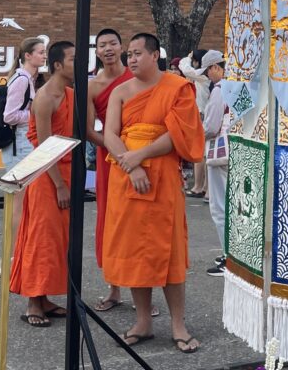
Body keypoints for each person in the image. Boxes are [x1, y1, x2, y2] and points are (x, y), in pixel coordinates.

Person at [103, 33, 205, 353]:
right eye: (128, 55)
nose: (130, 59)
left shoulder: (177, 87)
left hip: (162, 179)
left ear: (154, 55)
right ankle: (143, 321)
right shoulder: (120, 92)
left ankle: (178, 325)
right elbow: (110, 133)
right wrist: (130, 166)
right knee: (135, 253)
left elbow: (179, 134)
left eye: (136, 53)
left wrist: (141, 155)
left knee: (169, 251)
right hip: (127, 179)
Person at [10, 39, 75, 326]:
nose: (79, 63)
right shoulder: (45, 97)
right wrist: (59, 184)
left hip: (67, 171)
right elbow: (45, 146)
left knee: (58, 239)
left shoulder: (72, 94)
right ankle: (33, 302)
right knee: (41, 237)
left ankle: (45, 297)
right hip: (47, 175)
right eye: (73, 59)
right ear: (58, 65)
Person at [87, 28, 133, 311]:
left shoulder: (138, 78)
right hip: (110, 159)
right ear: (96, 51)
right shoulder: (93, 86)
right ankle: (114, 288)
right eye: (102, 45)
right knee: (111, 219)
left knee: (140, 221)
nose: (108, 49)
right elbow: (89, 130)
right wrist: (117, 150)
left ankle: (144, 290)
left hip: (143, 155)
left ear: (122, 47)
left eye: (112, 43)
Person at [0, 36, 46, 278]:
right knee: (19, 204)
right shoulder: (22, 80)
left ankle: (13, 256)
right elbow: (10, 115)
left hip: (23, 145)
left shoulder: (25, 78)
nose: (44, 56)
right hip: (20, 146)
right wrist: (36, 114)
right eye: (40, 52)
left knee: (22, 203)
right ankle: (9, 258)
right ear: (28, 55)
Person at [200, 50, 228, 275]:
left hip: (220, 153)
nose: (209, 76)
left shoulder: (219, 90)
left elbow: (210, 127)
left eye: (208, 70)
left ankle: (228, 256)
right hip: (236, 150)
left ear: (215, 67)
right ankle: (234, 254)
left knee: (220, 208)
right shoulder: (238, 85)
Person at [179, 49, 208, 199]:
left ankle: (198, 187)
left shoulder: (202, 75)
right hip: (205, 114)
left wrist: (187, 57)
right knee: (206, 153)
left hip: (202, 115)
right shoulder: (205, 77)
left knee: (200, 153)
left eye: (195, 61)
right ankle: (204, 187)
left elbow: (185, 68)